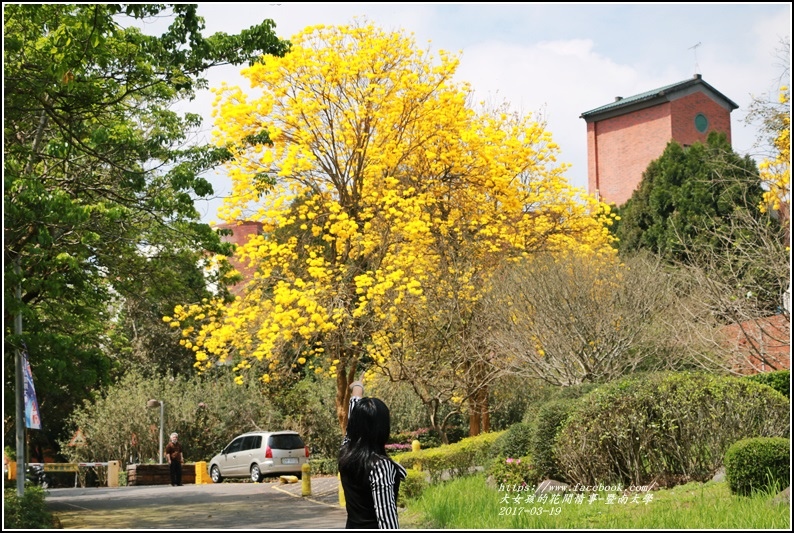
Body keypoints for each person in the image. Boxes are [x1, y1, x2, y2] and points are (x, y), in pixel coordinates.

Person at [338, 379, 406, 529]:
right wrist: (357, 387)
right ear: (383, 428)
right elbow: (386, 519)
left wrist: (358, 387)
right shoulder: (380, 466)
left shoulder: (345, 451)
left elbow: (353, 421)